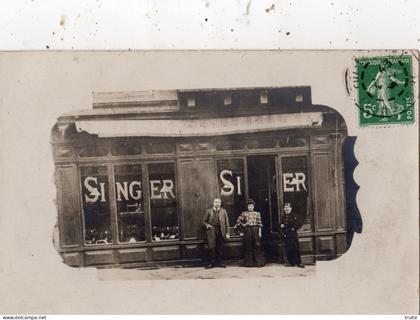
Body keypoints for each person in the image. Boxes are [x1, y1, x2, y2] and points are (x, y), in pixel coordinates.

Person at [234, 199, 266, 267]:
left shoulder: (257, 213)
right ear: (247, 207)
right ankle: (249, 263)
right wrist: (244, 225)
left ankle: (258, 262)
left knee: (257, 245)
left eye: (252, 206)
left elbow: (259, 223)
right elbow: (238, 221)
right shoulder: (244, 213)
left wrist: (260, 232)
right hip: (248, 230)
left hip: (255, 229)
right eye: (249, 206)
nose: (250, 207)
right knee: (249, 245)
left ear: (253, 206)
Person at [202, 198, 230, 268]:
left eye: (219, 202)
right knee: (211, 247)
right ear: (213, 203)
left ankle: (220, 263)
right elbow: (204, 221)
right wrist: (207, 225)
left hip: (221, 231)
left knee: (220, 248)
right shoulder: (208, 211)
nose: (217, 204)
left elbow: (227, 223)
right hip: (212, 231)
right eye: (216, 202)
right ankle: (211, 263)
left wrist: (227, 233)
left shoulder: (224, 211)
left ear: (220, 204)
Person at [280, 202, 304, 268]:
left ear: (291, 208)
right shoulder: (283, 217)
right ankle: (292, 263)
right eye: (285, 208)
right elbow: (281, 225)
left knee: (296, 248)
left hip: (293, 235)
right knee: (288, 249)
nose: (286, 209)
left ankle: (299, 262)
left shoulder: (295, 215)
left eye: (288, 208)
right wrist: (282, 227)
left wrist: (294, 228)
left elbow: (299, 223)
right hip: (286, 235)